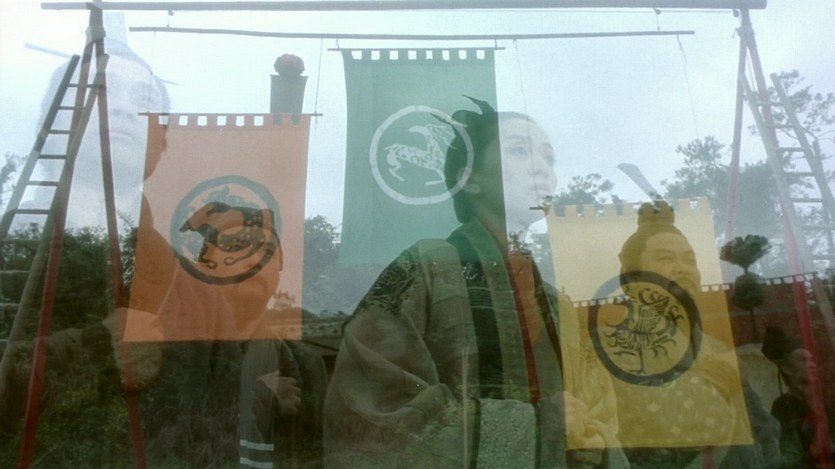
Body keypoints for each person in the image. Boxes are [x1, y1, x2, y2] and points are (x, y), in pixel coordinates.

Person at [324, 98, 626, 468]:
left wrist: (594, 444)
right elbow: (371, 412)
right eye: (519, 150)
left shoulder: (556, 303)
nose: (542, 168)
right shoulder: (424, 269)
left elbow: (600, 415)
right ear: (470, 178)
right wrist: (540, 427)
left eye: (549, 157)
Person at [611, 201, 780, 468]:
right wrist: (717, 381)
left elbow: (764, 433)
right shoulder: (615, 344)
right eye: (666, 259)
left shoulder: (715, 348)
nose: (684, 268)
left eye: (690, 260)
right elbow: (656, 433)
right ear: (632, 277)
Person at [762, 326, 833, 467]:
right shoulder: (784, 406)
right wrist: (813, 454)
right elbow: (788, 458)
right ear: (787, 369)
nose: (812, 365)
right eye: (803, 360)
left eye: (812, 360)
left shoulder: (821, 402)